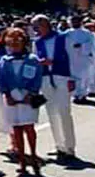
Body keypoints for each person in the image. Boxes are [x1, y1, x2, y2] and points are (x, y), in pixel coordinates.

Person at [0, 28, 44, 177]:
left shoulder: (33, 59)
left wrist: (30, 95)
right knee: (16, 129)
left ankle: (34, 155)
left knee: (28, 127)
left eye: (18, 39)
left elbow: (37, 78)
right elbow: (1, 79)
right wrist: (7, 95)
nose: (15, 42)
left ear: (24, 41)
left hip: (27, 97)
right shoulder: (5, 60)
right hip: (12, 96)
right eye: (11, 40)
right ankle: (22, 160)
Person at [32, 15, 77, 162]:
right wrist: (40, 63)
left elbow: (72, 57)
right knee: (52, 113)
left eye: (38, 26)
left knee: (64, 111)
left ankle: (70, 146)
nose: (36, 30)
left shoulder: (63, 38)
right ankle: (59, 146)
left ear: (46, 24)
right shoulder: (37, 42)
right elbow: (35, 60)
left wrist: (73, 78)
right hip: (46, 79)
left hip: (62, 76)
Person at [66, 15, 95, 103]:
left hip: (83, 58)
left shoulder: (87, 33)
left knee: (84, 77)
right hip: (72, 58)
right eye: (73, 21)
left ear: (80, 22)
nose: (75, 23)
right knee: (73, 77)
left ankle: (83, 95)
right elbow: (64, 45)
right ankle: (75, 95)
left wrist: (81, 46)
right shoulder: (67, 33)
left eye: (76, 21)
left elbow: (91, 44)